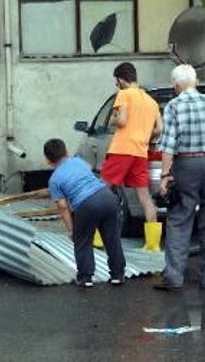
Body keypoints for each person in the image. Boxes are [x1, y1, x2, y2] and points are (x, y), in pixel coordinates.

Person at [154, 64, 205, 291]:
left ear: (176, 86)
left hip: (185, 163)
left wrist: (165, 175)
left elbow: (168, 146)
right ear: (196, 82)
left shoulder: (173, 106)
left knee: (179, 218)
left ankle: (174, 277)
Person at [44, 138, 125, 288]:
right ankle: (118, 274)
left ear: (48, 161)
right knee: (112, 238)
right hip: (107, 196)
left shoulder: (54, 180)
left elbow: (62, 206)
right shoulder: (78, 161)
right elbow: (87, 172)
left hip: (86, 204)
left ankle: (85, 277)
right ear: (66, 152)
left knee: (82, 241)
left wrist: (71, 230)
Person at [100, 62, 163, 252]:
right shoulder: (150, 101)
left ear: (120, 80)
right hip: (140, 152)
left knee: (100, 191)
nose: (116, 85)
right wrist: (144, 136)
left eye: (116, 82)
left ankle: (97, 238)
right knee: (144, 197)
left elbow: (122, 120)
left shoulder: (124, 94)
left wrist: (112, 119)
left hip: (122, 149)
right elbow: (159, 129)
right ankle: (152, 245)